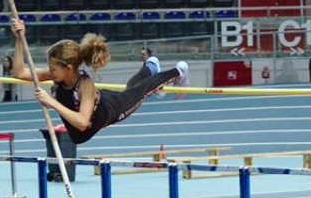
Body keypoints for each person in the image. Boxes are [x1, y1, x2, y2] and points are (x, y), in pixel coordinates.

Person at [10, 18, 188, 145]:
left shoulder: (85, 86)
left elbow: (82, 123)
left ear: (69, 67)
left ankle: (179, 71)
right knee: (132, 87)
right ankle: (150, 67)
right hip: (101, 101)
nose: (50, 72)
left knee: (140, 90)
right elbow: (19, 72)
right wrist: (19, 38)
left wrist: (51, 102)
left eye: (53, 68)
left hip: (113, 109)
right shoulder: (59, 75)